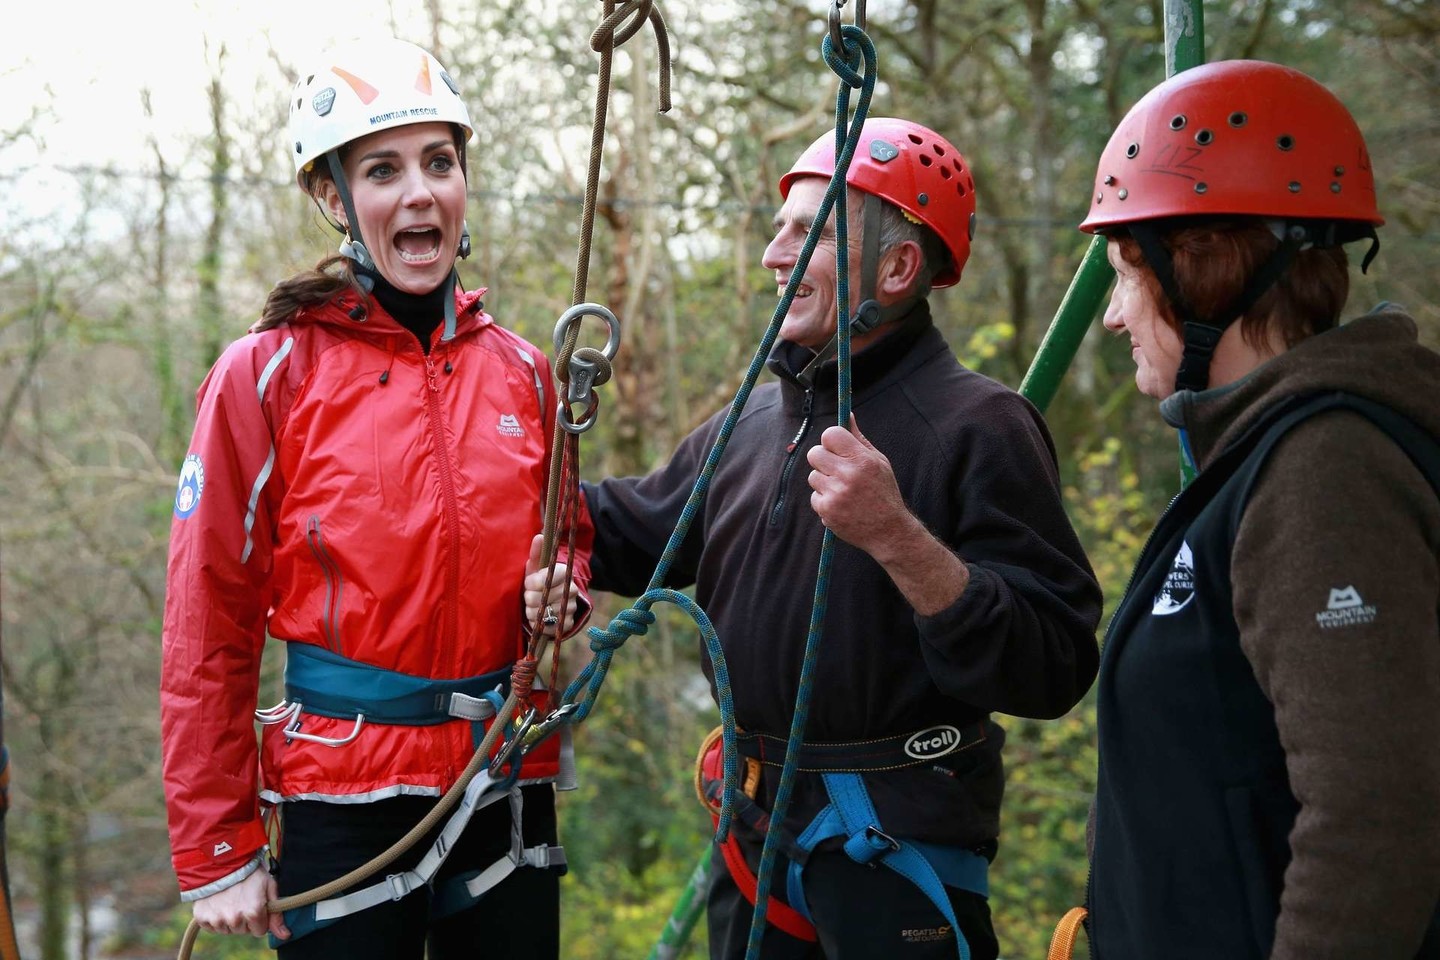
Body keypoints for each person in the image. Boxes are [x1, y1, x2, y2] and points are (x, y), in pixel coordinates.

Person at [581, 118, 1103, 960]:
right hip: (755, 829)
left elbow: (1052, 663)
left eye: (808, 231)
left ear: (898, 270)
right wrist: (501, 471)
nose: (772, 254)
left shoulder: (978, 426)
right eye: (778, 227)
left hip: (894, 846)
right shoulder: (751, 418)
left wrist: (897, 536)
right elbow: (626, 528)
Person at [159, 37, 588, 960]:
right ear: (335, 198)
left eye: (440, 162)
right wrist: (219, 847)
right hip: (339, 800)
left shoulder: (523, 374)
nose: (419, 192)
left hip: (500, 782)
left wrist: (564, 586)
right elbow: (206, 622)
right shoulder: (265, 375)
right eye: (383, 171)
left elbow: (570, 538)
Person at [1080, 59, 1440, 959]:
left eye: (1127, 272)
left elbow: (1375, 810)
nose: (1114, 317)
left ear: (1202, 267)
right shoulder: (1264, 456)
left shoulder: (1326, 470)